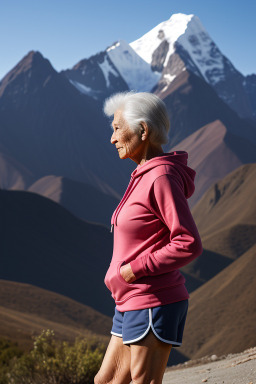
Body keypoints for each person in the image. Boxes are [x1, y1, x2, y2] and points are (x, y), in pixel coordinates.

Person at [94, 91, 203, 384]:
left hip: (153, 300)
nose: (112, 138)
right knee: (106, 381)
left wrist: (132, 270)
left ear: (143, 130)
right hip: (130, 300)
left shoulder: (161, 177)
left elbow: (188, 242)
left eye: (117, 128)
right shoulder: (144, 174)